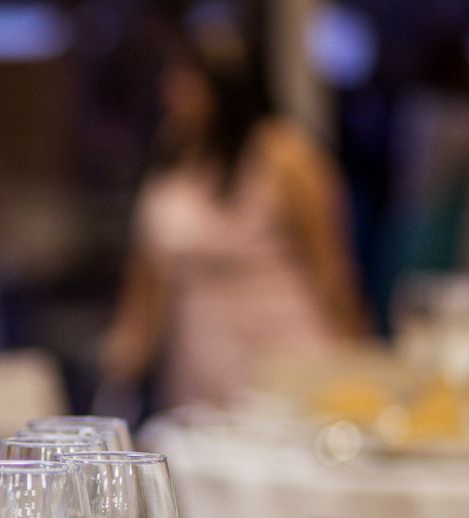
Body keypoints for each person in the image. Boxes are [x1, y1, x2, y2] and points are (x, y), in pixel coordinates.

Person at [99, 12, 367, 410]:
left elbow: (330, 268)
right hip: (199, 360)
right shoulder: (169, 158)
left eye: (187, 79)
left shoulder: (284, 153)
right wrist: (118, 367)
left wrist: (359, 362)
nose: (173, 90)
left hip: (284, 351)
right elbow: (146, 280)